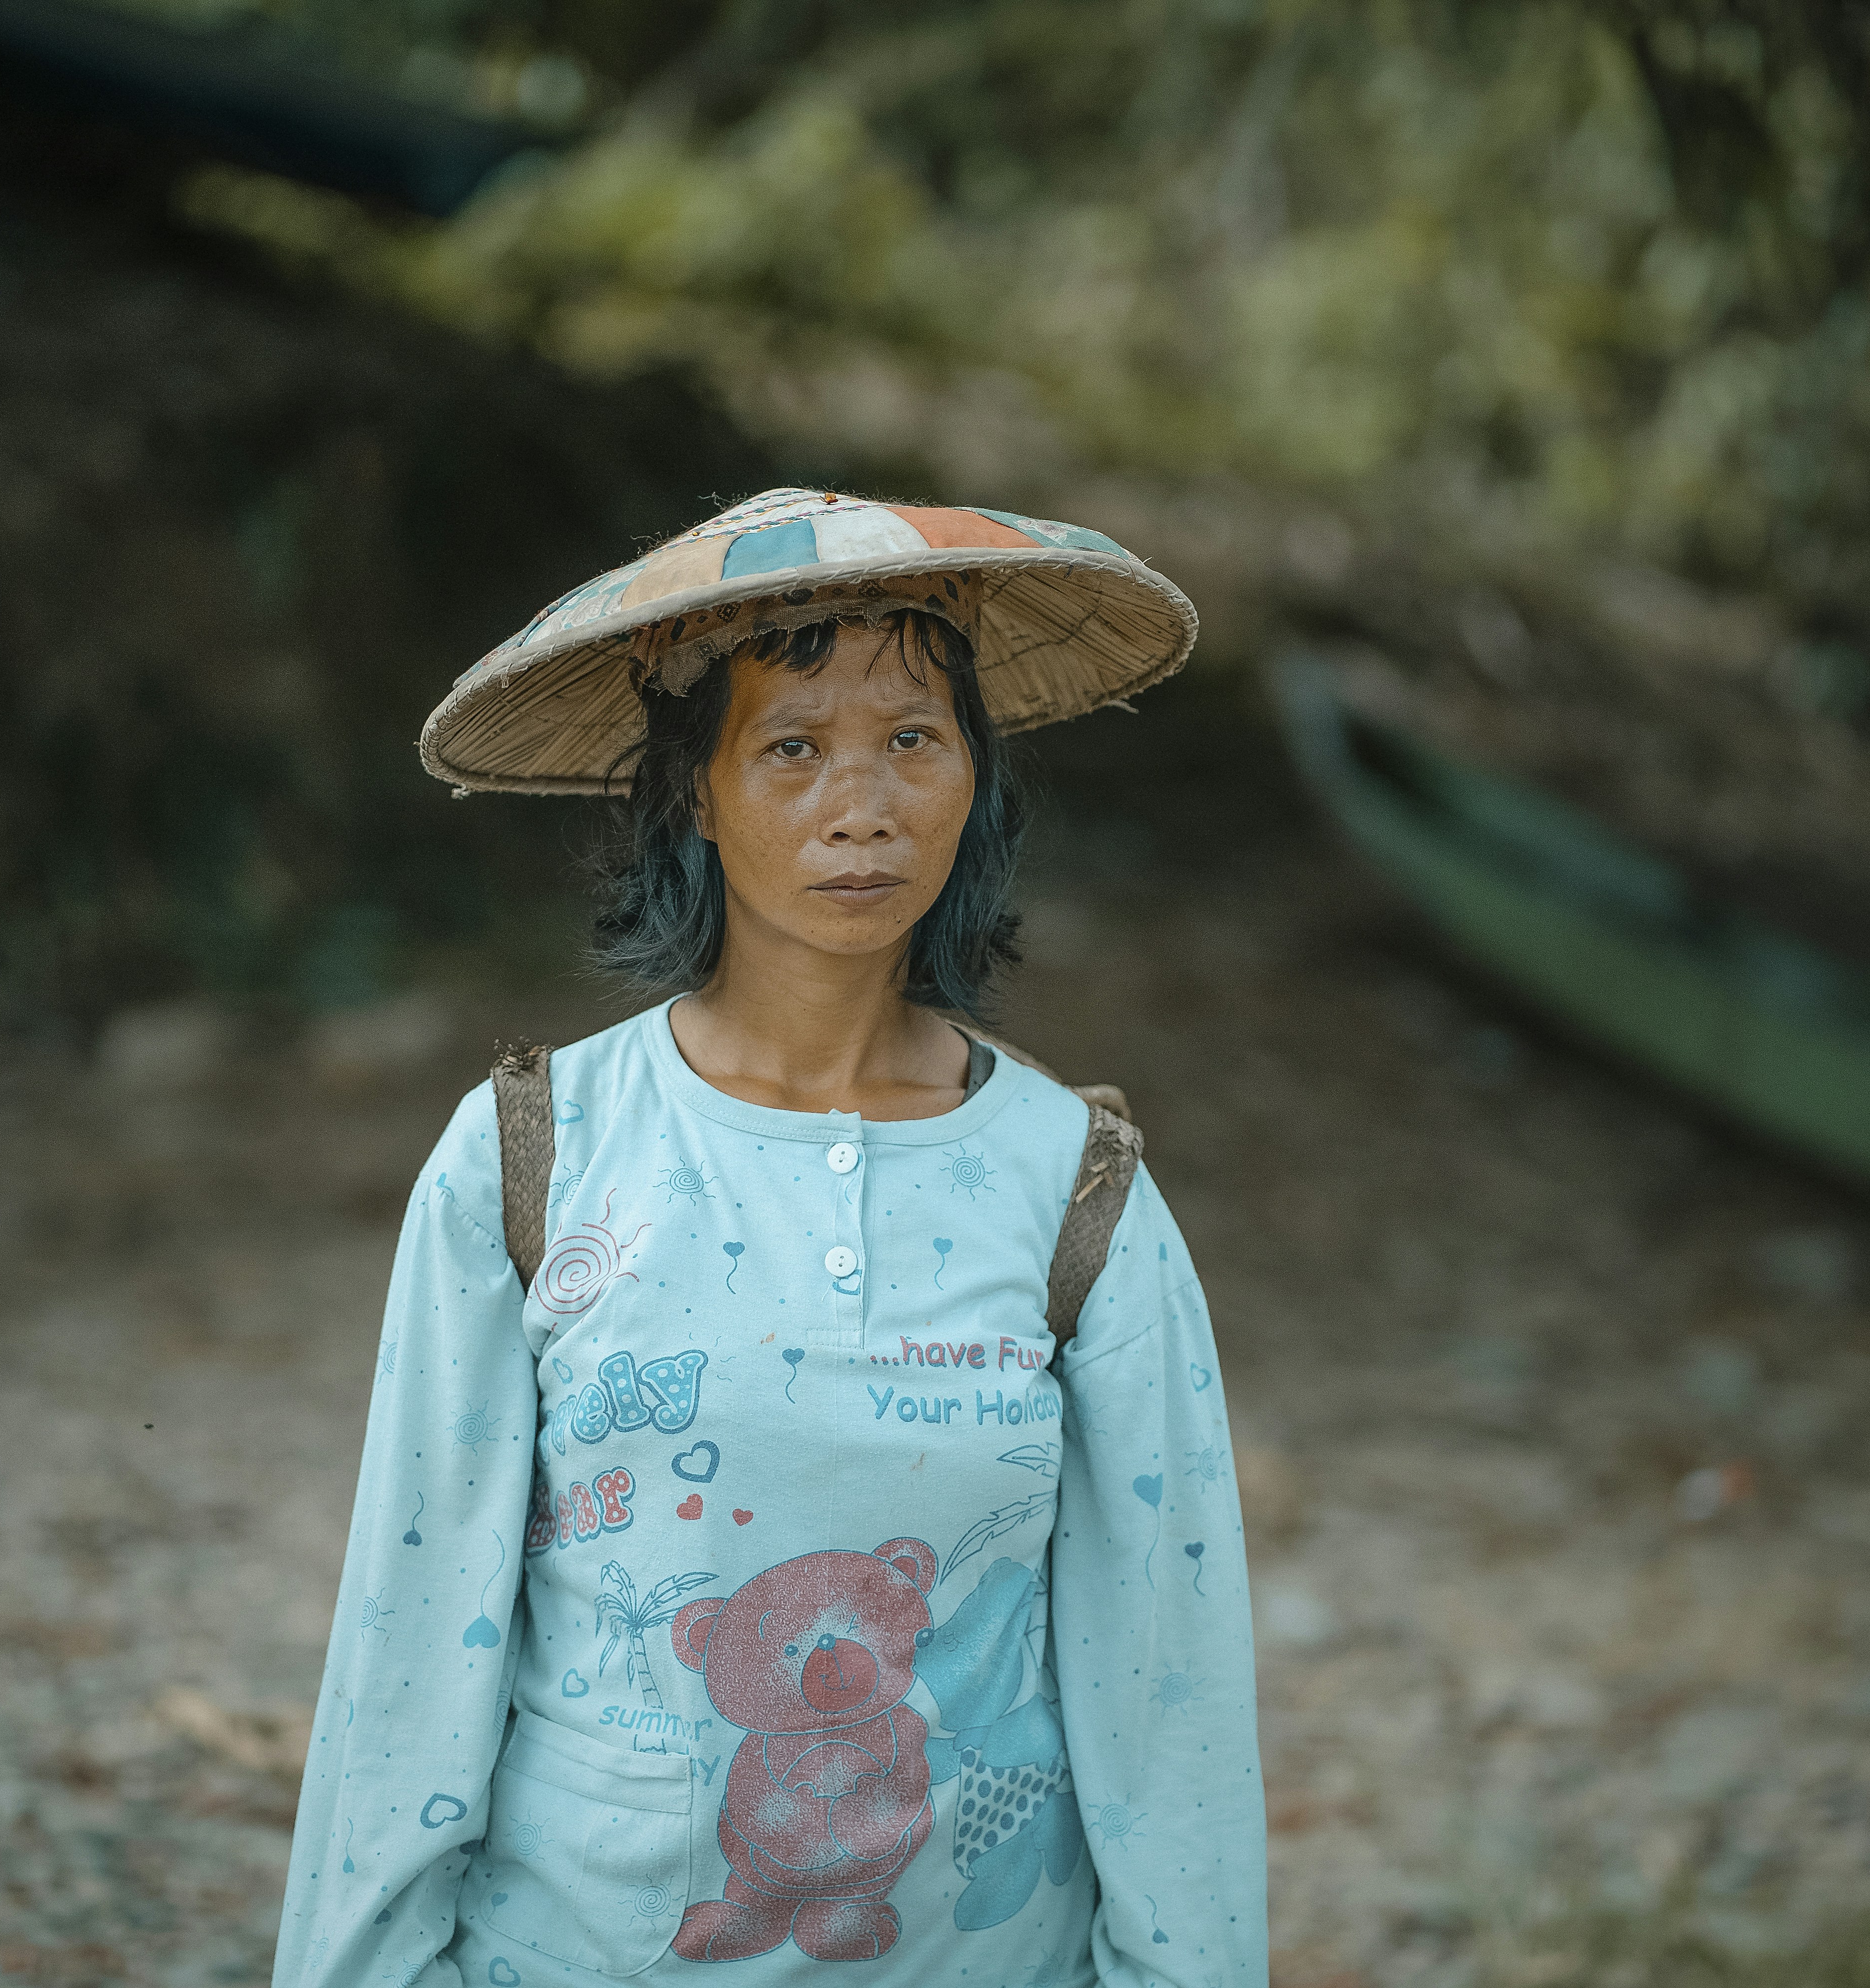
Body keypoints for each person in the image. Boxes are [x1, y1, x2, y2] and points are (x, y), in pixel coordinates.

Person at [274, 489, 1262, 1986]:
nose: (861, 803)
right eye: (792, 747)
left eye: (914, 741)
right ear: (694, 793)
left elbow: (1166, 1681)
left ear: (975, 781)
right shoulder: (537, 1157)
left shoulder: (1076, 1189)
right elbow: (414, 1642)